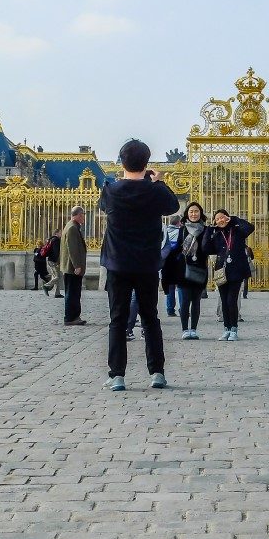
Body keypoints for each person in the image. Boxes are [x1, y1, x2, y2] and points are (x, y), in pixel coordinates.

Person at [99, 139, 179, 391]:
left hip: (117, 263)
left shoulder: (110, 190)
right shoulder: (155, 191)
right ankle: (157, 372)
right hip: (146, 264)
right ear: (147, 163)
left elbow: (104, 206)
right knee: (150, 319)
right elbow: (173, 206)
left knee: (117, 320)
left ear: (121, 161)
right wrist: (157, 181)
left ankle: (117, 375)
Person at [205, 209, 255, 341]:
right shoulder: (216, 234)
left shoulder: (237, 231)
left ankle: (234, 329)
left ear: (226, 218)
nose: (220, 220)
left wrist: (233, 219)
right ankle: (226, 329)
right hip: (221, 271)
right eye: (217, 219)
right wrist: (209, 230)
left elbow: (250, 227)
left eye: (222, 218)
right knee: (224, 301)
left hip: (236, 270)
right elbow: (205, 248)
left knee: (231, 300)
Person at [176, 202, 209, 340]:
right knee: (184, 301)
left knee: (196, 301)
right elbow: (177, 249)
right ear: (187, 214)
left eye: (196, 211)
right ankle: (185, 329)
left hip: (200, 268)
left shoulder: (206, 230)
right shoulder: (182, 230)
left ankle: (193, 329)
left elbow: (209, 248)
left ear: (200, 213)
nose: (194, 214)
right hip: (184, 269)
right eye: (191, 211)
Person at [60, 206, 88, 325]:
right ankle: (71, 317)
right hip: (72, 268)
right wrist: (77, 265)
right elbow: (72, 249)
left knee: (73, 292)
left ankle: (74, 316)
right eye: (82, 215)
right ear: (78, 215)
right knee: (72, 293)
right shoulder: (72, 228)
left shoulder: (72, 226)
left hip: (70, 267)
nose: (83, 218)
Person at [160, 216, 182, 317]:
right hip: (178, 260)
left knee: (169, 286)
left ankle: (170, 309)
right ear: (179, 223)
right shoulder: (180, 232)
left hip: (166, 261)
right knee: (181, 286)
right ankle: (183, 308)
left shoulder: (165, 231)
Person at [42, 231, 63, 298]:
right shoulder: (56, 240)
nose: (61, 234)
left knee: (56, 276)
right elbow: (56, 251)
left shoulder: (51, 239)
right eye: (60, 233)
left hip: (50, 260)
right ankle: (46, 286)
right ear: (56, 233)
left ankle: (57, 293)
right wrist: (57, 261)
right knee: (57, 277)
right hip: (53, 261)